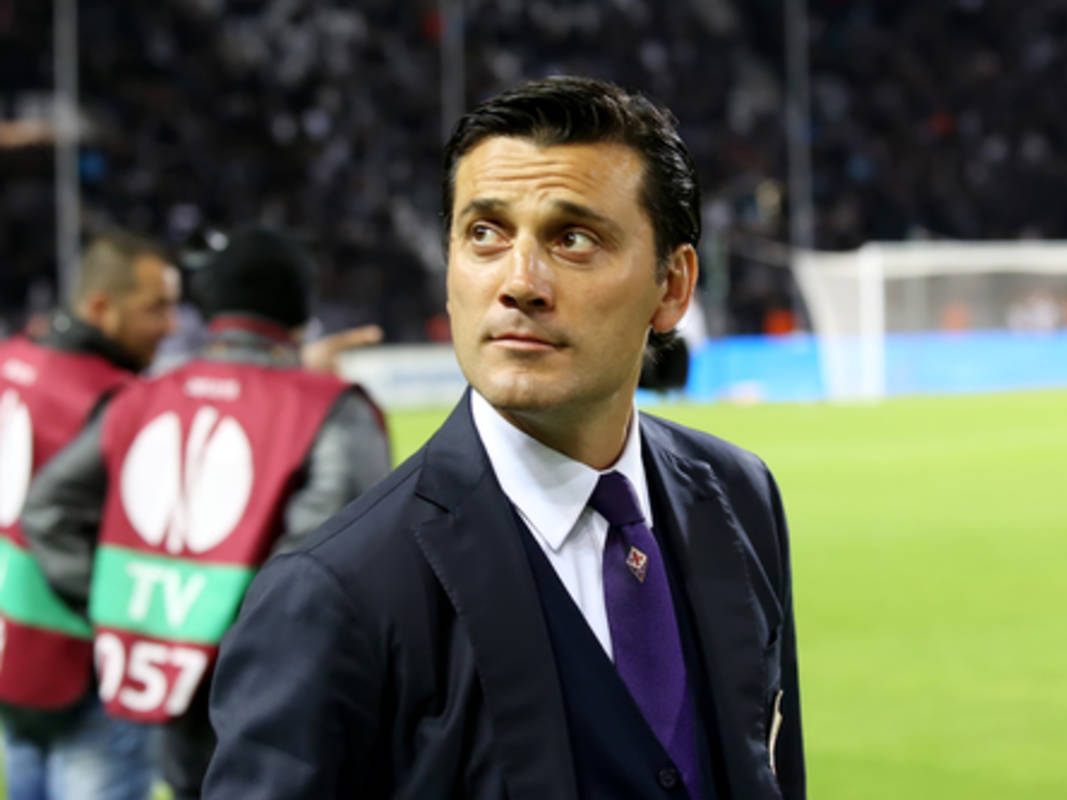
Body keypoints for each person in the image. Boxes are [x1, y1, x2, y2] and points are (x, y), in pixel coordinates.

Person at [203, 76, 805, 799]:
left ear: (672, 286)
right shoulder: (334, 596)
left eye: (573, 239)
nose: (520, 282)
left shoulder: (740, 497)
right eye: (485, 233)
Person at [21, 226, 393, 799]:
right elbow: (334, 568)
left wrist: (134, 612)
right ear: (298, 310)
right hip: (285, 723)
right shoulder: (328, 409)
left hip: (177, 717)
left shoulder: (141, 396)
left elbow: (48, 510)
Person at [0, 229, 178, 800]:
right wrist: (124, 615)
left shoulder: (11, 360)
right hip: (88, 667)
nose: (171, 324)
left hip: (15, 651)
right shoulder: (117, 398)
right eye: (156, 308)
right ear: (101, 307)